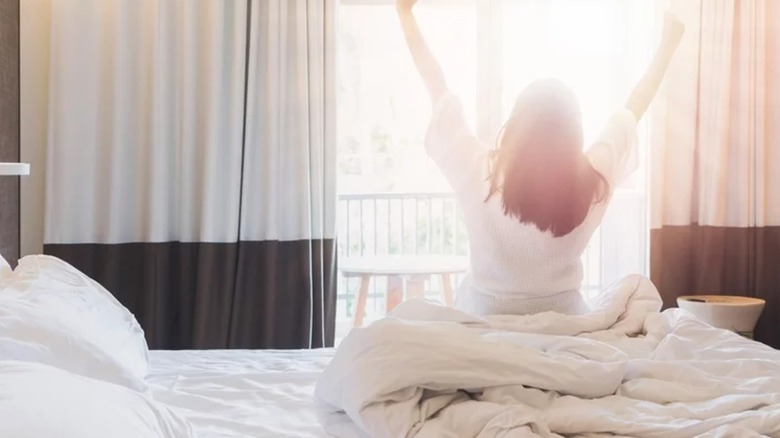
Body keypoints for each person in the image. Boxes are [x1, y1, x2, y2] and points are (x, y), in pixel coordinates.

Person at [395, 0, 685, 315]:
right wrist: (668, 44)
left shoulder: (480, 171)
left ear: (516, 125)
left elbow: (437, 87)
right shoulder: (592, 179)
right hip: (568, 322)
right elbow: (635, 106)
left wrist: (405, 16)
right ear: (574, 133)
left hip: (485, 319)